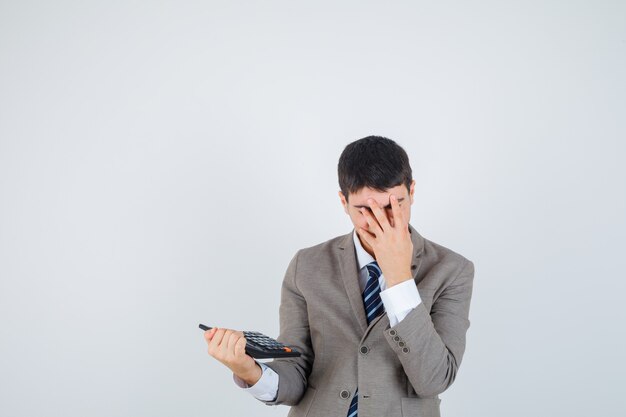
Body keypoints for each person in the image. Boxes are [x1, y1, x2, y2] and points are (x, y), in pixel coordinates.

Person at [203, 136, 475, 417]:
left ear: (412, 191)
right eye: (365, 209)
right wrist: (249, 371)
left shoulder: (452, 270)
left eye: (395, 205)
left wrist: (399, 278)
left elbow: (434, 379)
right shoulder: (306, 265)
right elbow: (296, 375)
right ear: (343, 201)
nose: (382, 220)